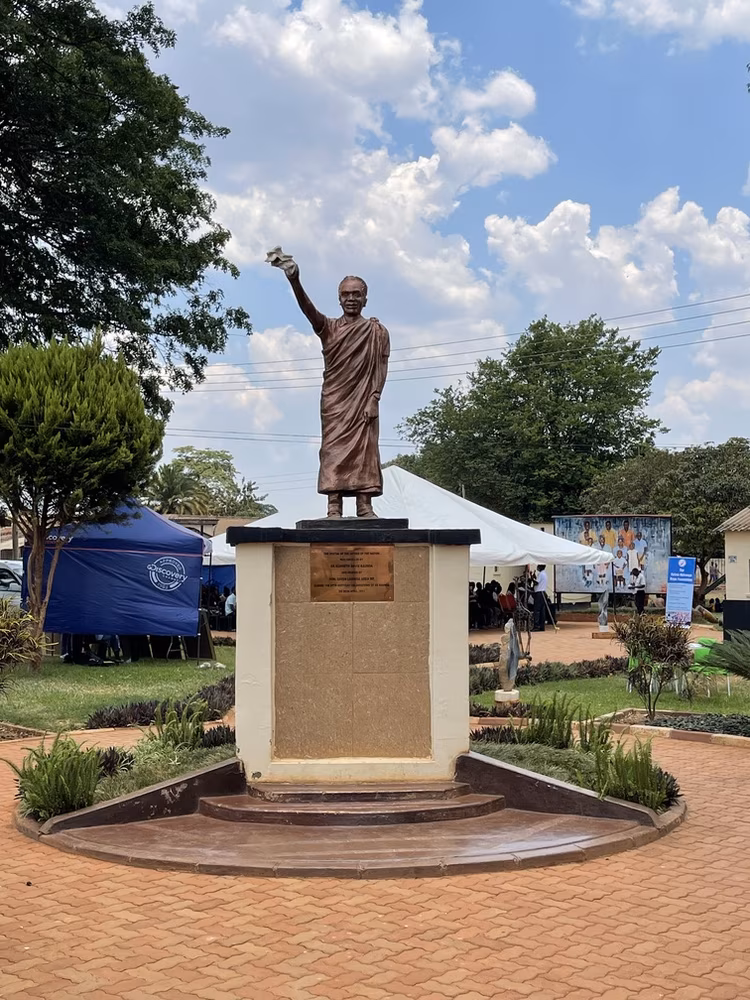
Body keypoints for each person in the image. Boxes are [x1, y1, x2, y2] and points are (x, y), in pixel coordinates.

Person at [273, 254, 390, 518]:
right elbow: (308, 310)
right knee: (332, 448)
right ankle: (333, 504)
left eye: (356, 294)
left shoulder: (377, 332)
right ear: (339, 298)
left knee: (366, 449)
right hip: (336, 401)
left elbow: (381, 368)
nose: (351, 298)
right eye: (346, 294)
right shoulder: (329, 328)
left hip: (363, 401)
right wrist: (294, 279)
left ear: (365, 299)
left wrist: (374, 397)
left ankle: (364, 504)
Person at [533, 564, 548, 632]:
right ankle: (542, 626)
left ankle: (536, 625)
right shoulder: (544, 574)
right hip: (543, 592)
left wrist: (531, 578)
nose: (537, 567)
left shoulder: (540, 574)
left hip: (539, 593)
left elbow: (536, 583)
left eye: (538, 566)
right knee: (542, 610)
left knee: (537, 610)